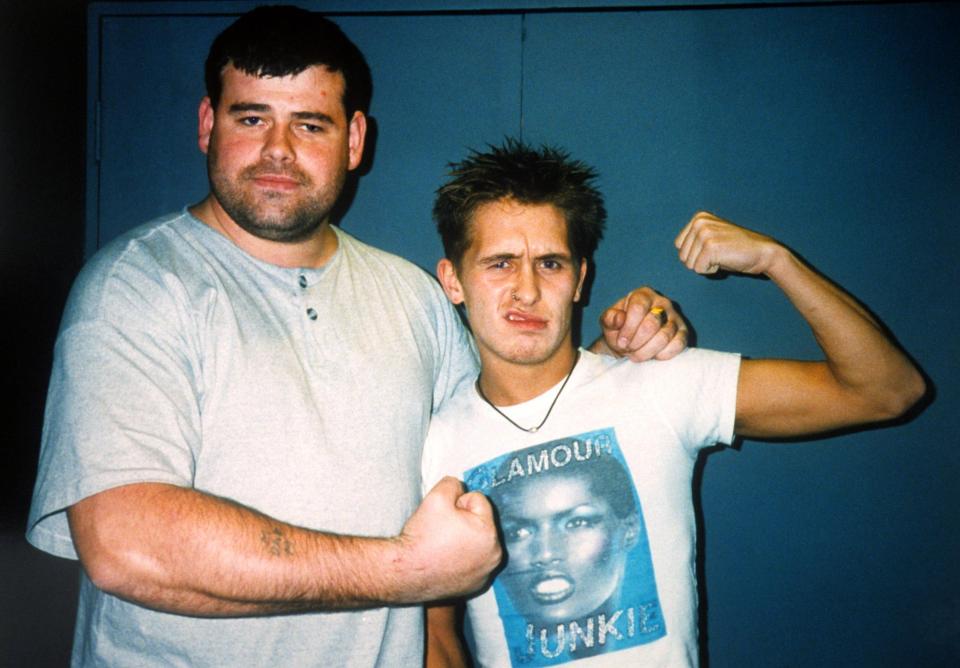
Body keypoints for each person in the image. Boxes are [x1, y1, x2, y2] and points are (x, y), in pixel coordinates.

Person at [25, 7, 686, 667]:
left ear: (354, 140)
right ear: (206, 125)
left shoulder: (412, 296)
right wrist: (407, 569)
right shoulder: (136, 288)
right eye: (251, 118)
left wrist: (617, 353)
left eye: (309, 125)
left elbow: (500, 434)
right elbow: (126, 544)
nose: (278, 150)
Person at [422, 140, 925, 667]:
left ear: (580, 280)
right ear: (453, 280)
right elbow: (438, 636)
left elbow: (890, 391)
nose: (526, 290)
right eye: (500, 263)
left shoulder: (662, 384)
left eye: (550, 263)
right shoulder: (437, 442)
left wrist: (775, 260)